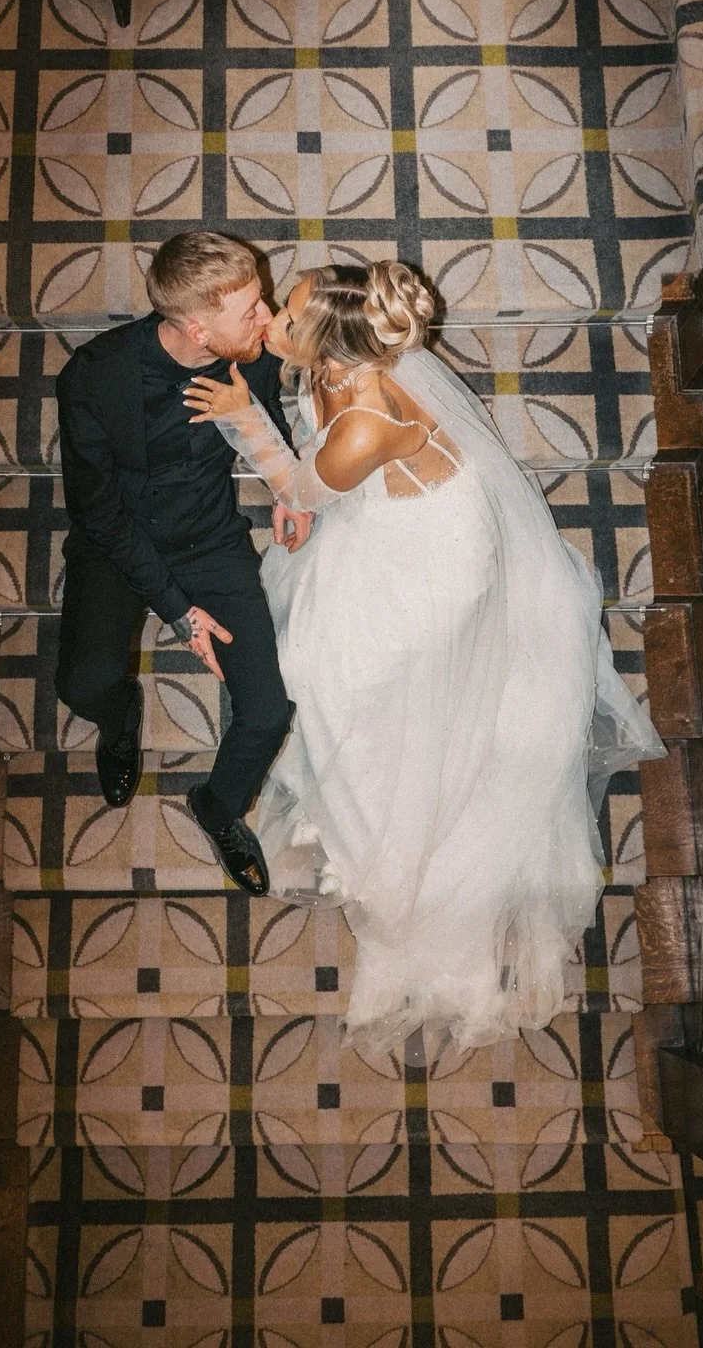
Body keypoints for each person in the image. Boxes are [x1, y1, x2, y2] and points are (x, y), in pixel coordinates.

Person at [184, 261, 664, 1054]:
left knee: (330, 674)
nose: (270, 319)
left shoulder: (368, 420)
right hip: (386, 514)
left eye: (286, 316)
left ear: (327, 342)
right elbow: (319, 468)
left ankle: (389, 830)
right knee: (312, 644)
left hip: (433, 564)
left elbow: (306, 489)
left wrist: (247, 421)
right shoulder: (340, 360)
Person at [54, 231, 311, 894]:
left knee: (266, 713)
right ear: (196, 327)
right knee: (82, 683)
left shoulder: (247, 355)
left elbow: (265, 415)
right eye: (251, 308)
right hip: (115, 545)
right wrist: (178, 610)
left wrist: (286, 488)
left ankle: (217, 808)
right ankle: (120, 720)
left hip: (209, 542)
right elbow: (100, 516)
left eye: (262, 297)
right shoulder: (92, 377)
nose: (269, 315)